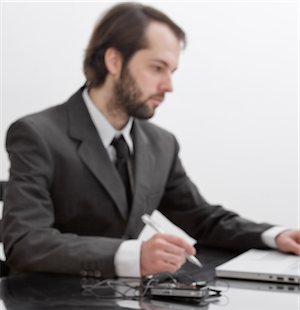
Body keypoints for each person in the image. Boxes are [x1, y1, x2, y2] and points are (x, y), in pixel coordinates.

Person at [2, 3, 299, 278]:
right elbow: (26, 242)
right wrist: (134, 254)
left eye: (172, 72)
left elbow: (202, 218)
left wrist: (273, 235)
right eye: (157, 68)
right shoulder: (36, 135)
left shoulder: (161, 144)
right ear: (114, 60)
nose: (168, 86)